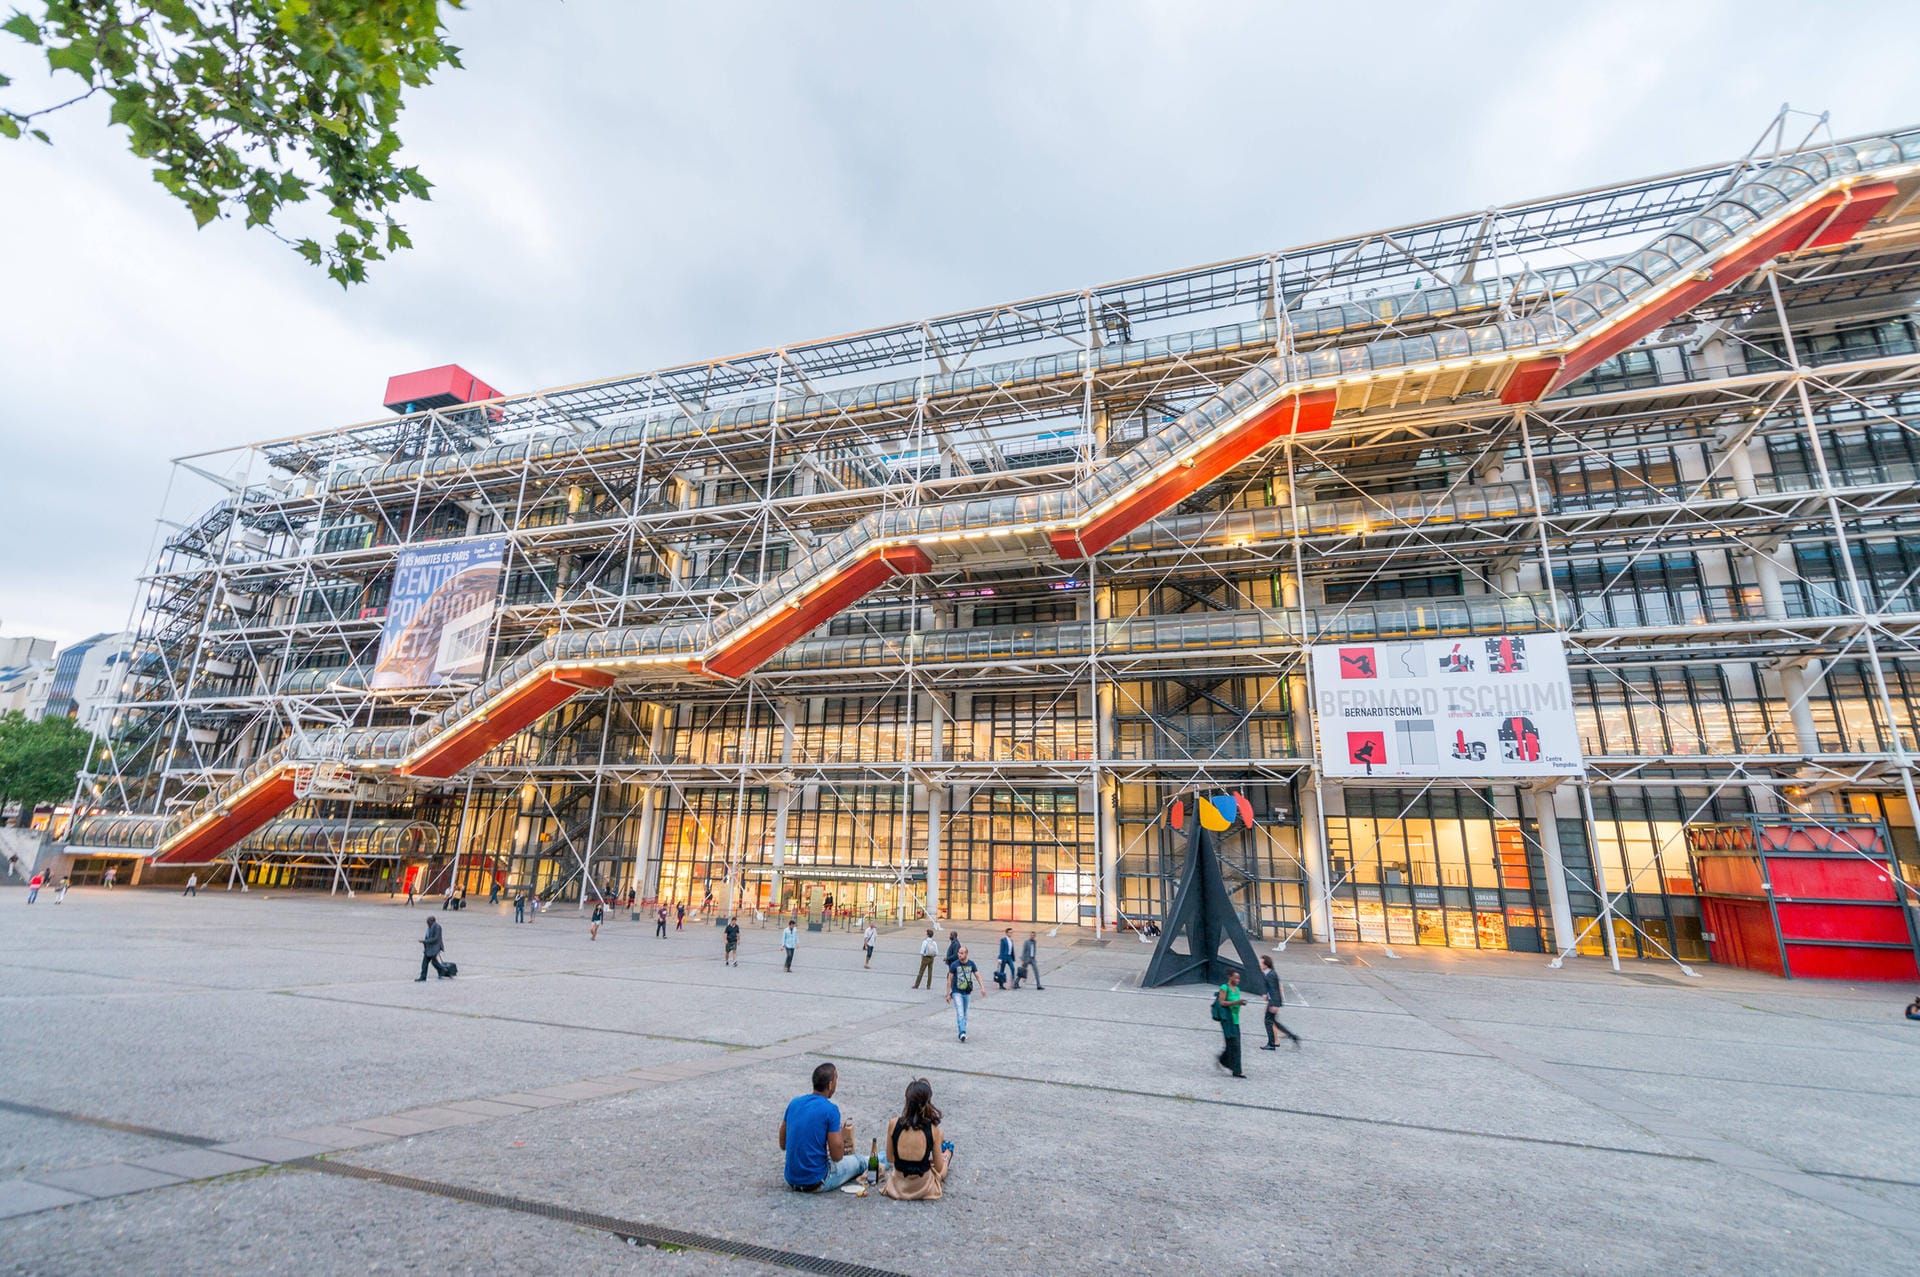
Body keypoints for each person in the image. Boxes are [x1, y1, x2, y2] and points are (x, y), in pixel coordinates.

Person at [779, 1062, 864, 1193]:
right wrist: (839, 1136)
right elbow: (837, 1156)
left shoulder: (794, 1103)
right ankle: (884, 1159)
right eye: (836, 1080)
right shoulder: (830, 1110)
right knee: (859, 1161)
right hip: (817, 1181)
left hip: (792, 1179)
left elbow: (783, 1144)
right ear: (830, 1084)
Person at [880, 1077, 952, 1201]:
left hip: (898, 1184)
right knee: (943, 1166)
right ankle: (947, 1154)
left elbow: (890, 1158)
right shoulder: (933, 1130)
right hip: (922, 1186)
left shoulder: (893, 1123)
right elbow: (939, 1168)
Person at [1259, 955, 1301, 1050]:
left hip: (1273, 1002)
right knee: (1274, 1022)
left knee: (1268, 1021)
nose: (1260, 964)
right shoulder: (1267, 973)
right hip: (1272, 1001)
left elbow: (1275, 990)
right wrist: (1265, 994)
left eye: (1261, 963)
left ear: (1266, 964)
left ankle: (1271, 1044)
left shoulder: (1271, 974)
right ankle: (1293, 1037)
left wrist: (1275, 1004)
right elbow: (1269, 988)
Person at [1214, 970, 1246, 1078]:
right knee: (1233, 1043)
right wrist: (1237, 1002)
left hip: (1235, 1019)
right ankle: (1236, 1071)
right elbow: (1222, 1002)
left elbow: (1236, 1001)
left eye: (1239, 979)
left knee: (1234, 1044)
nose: (1238, 980)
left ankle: (1223, 1060)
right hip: (1227, 1020)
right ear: (1230, 977)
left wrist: (1241, 1003)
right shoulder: (1224, 988)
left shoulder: (1237, 989)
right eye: (1236, 978)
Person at [947, 945, 983, 1042]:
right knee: (960, 1012)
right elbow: (949, 979)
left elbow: (977, 975)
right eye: (959, 953)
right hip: (956, 992)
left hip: (967, 992)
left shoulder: (971, 964)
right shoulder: (954, 965)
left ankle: (963, 1030)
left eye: (962, 953)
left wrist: (982, 988)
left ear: (966, 954)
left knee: (965, 1013)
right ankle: (962, 1033)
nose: (959, 955)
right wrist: (948, 994)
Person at [417, 914, 453, 981]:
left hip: (435, 947)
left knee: (430, 962)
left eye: (428, 922)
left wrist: (425, 941)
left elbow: (435, 938)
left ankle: (444, 971)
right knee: (430, 962)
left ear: (432, 921)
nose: (427, 923)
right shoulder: (429, 928)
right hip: (429, 948)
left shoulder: (437, 927)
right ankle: (443, 971)